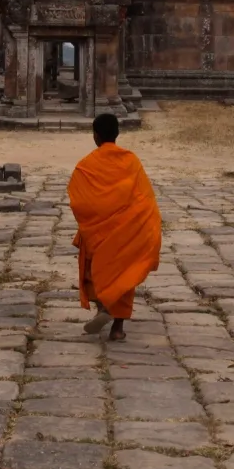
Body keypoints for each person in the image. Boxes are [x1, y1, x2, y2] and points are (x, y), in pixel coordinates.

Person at [67, 113, 162, 341]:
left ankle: (103, 307)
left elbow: (79, 201)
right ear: (117, 134)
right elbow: (145, 198)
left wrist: (92, 223)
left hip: (99, 232)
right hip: (128, 228)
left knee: (96, 269)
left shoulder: (87, 165)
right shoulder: (131, 161)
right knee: (123, 270)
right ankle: (117, 327)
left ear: (95, 136)